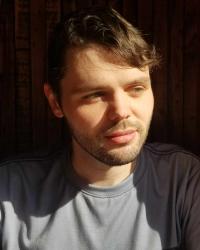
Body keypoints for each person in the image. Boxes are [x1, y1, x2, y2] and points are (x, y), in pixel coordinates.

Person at [0, 6, 200, 250]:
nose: (121, 111)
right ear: (55, 102)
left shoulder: (184, 180)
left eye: (136, 88)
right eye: (95, 95)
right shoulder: (8, 193)